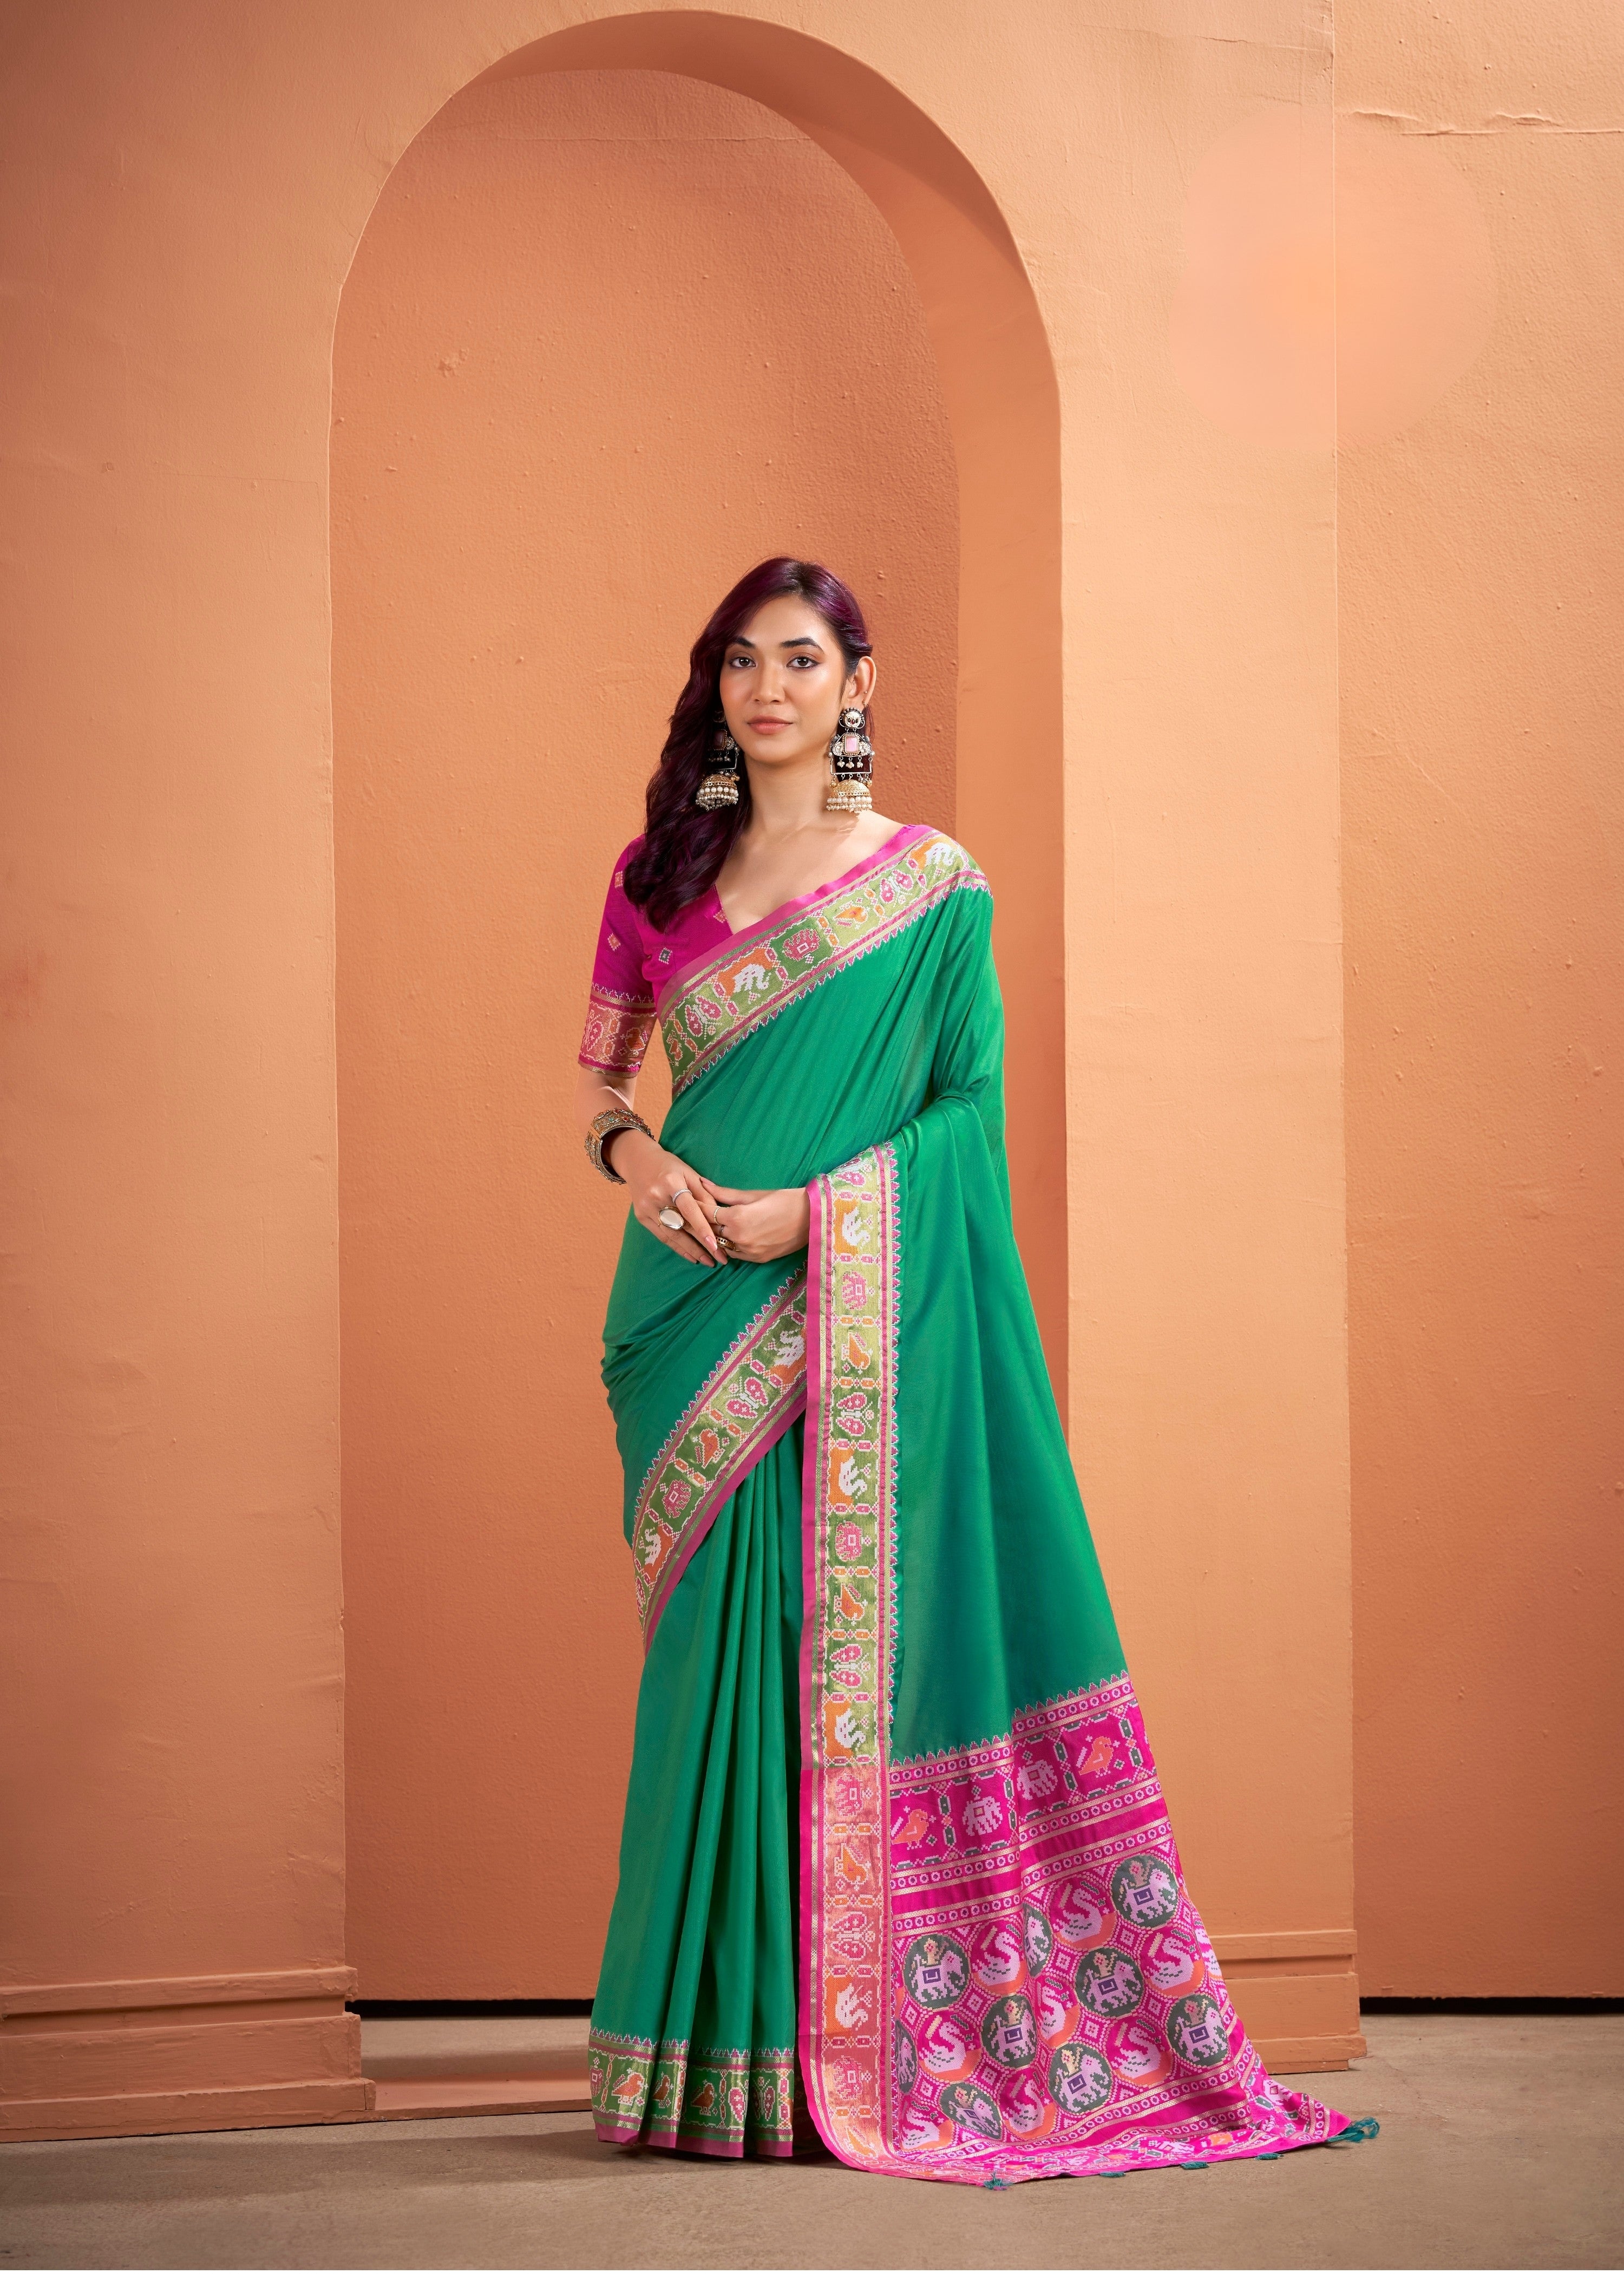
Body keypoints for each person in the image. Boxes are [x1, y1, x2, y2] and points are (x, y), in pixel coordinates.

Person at [573, 557, 1375, 2185]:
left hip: (842, 1307)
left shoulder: (933, 890)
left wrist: (816, 1213)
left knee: (824, 1640)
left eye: (802, 661)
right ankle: (712, 2063)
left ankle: (848, 2049)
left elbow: (963, 1126)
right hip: (685, 1321)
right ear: (716, 690)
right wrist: (630, 1156)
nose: (769, 690)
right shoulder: (659, 878)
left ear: (857, 689)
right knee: (720, 1666)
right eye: (741, 663)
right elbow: (592, 1084)